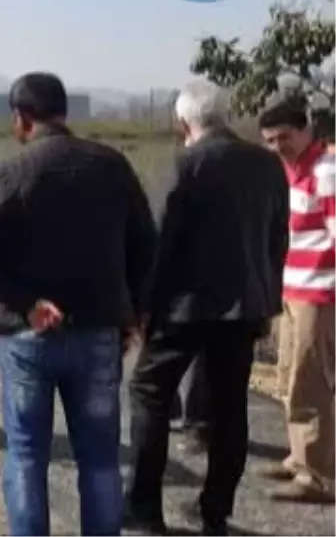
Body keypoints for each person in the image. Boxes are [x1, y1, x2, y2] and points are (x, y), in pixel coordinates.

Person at [0, 72, 156, 537]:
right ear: (64, 114)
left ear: (22, 117)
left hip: (28, 339)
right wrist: (132, 314)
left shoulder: (5, 172)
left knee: (26, 457)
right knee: (101, 462)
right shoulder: (112, 167)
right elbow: (146, 245)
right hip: (99, 335)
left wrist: (26, 303)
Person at [124, 81, 289, 534]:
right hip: (245, 306)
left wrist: (142, 305)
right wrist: (268, 296)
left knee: (150, 394)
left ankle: (143, 508)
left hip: (185, 307)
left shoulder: (187, 165)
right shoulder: (268, 165)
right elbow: (278, 236)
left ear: (183, 123)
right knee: (230, 407)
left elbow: (161, 244)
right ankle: (214, 511)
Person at [257, 97, 336, 505]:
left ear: (307, 129)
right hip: (293, 289)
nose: (278, 146)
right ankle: (300, 456)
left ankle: (318, 476)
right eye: (270, 140)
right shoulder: (288, 172)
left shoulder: (327, 172)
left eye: (284, 137)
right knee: (288, 376)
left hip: (319, 293)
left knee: (309, 382)